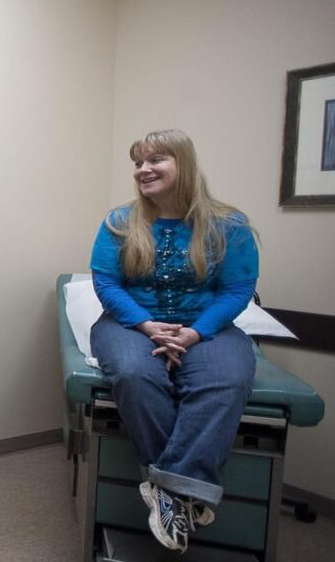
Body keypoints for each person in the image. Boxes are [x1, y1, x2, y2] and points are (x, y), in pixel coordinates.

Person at [89, 129, 258, 553]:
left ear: (183, 164)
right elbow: (106, 282)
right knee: (133, 374)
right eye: (138, 163)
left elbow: (238, 290)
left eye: (155, 160)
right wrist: (146, 325)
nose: (143, 170)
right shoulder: (119, 223)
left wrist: (195, 331)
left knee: (228, 380)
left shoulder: (229, 225)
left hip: (206, 327)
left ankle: (167, 490)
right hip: (128, 324)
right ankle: (187, 489)